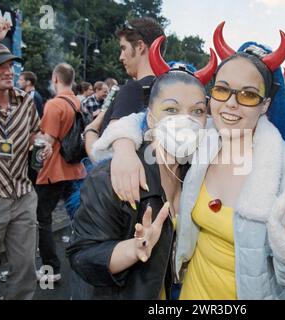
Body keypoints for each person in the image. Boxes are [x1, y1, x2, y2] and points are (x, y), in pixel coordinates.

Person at [93, 22, 285, 300]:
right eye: (222, 90)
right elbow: (146, 118)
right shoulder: (204, 135)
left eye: (247, 94)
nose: (232, 103)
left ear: (265, 105)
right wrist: (124, 148)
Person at [66, 37, 217, 299]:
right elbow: (82, 256)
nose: (186, 120)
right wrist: (133, 250)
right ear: (150, 117)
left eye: (197, 111)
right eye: (171, 109)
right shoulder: (112, 177)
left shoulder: (198, 174)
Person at [0, 17, 51, 300]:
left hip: (24, 196)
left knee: (24, 273)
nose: (8, 70)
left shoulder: (25, 101)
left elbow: (36, 132)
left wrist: (43, 143)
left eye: (10, 64)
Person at [84, 17, 165, 163]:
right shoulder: (167, 91)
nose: (121, 57)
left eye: (123, 48)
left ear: (140, 46)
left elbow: (106, 158)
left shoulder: (132, 89)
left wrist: (91, 129)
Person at [35, 63, 87, 283]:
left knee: (43, 220)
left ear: (56, 78)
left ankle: (51, 269)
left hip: (53, 171)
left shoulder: (54, 105)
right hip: (75, 169)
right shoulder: (76, 102)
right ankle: (86, 257)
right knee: (79, 215)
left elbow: (46, 141)